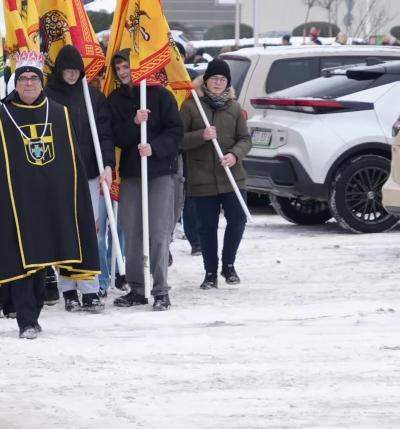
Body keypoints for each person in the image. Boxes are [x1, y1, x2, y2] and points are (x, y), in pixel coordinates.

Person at [0, 49, 100, 338]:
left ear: (41, 83)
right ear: (16, 83)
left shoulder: (60, 113)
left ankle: (32, 314)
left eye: (34, 78)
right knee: (21, 261)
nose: (28, 83)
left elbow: (70, 159)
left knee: (42, 262)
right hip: (14, 203)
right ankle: (26, 318)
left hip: (49, 201)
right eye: (23, 78)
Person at [107, 50, 185, 311]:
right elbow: (115, 136)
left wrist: (155, 147)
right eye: (118, 68)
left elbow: (176, 131)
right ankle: (136, 289)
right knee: (132, 231)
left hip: (160, 171)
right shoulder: (116, 99)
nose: (122, 72)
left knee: (158, 232)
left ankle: (161, 290)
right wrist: (133, 122)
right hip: (131, 172)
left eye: (126, 66)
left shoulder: (161, 95)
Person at [45, 46, 114, 312]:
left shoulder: (93, 97)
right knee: (64, 233)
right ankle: (68, 290)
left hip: (89, 173)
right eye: (67, 70)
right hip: (59, 176)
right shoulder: (48, 97)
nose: (72, 75)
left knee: (91, 233)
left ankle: (91, 289)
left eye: (76, 70)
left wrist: (107, 164)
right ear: (59, 71)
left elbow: (105, 134)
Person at [181, 59, 251, 289]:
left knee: (238, 219)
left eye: (223, 80)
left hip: (232, 177)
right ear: (206, 81)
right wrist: (200, 135)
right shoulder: (192, 106)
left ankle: (228, 265)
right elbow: (178, 139)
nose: (218, 83)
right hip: (202, 178)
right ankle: (210, 272)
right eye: (214, 79)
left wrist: (235, 154)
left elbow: (245, 139)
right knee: (207, 227)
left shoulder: (234, 108)